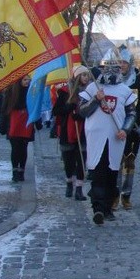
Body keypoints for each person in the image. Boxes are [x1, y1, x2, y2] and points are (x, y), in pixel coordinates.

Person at [79, 56, 137, 225]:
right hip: (96, 137)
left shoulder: (125, 91)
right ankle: (97, 207)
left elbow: (131, 113)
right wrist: (95, 99)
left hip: (115, 137)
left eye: (115, 68)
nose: (111, 72)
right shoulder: (92, 88)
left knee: (112, 172)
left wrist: (125, 129)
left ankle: (107, 207)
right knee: (98, 172)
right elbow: (82, 111)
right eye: (107, 69)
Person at [111, 48, 140, 211]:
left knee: (129, 164)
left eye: (124, 62)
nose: (121, 66)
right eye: (119, 63)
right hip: (115, 129)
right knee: (115, 163)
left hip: (133, 131)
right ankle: (114, 196)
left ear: (129, 64)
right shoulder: (112, 81)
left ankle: (126, 196)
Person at [52, 65, 93, 201]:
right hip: (68, 130)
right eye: (83, 75)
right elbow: (56, 111)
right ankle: (69, 183)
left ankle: (79, 189)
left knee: (81, 160)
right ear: (77, 77)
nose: (85, 78)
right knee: (69, 161)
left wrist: (81, 115)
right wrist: (67, 108)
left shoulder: (90, 92)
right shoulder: (65, 92)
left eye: (87, 75)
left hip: (84, 130)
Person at [0, 75, 40, 182]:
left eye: (28, 80)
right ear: (19, 80)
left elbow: (35, 109)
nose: (27, 82)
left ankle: (21, 170)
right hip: (13, 123)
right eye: (25, 80)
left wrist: (38, 122)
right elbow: (4, 109)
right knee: (15, 148)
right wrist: (2, 126)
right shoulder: (11, 92)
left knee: (23, 147)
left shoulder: (32, 93)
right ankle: (15, 170)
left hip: (26, 123)